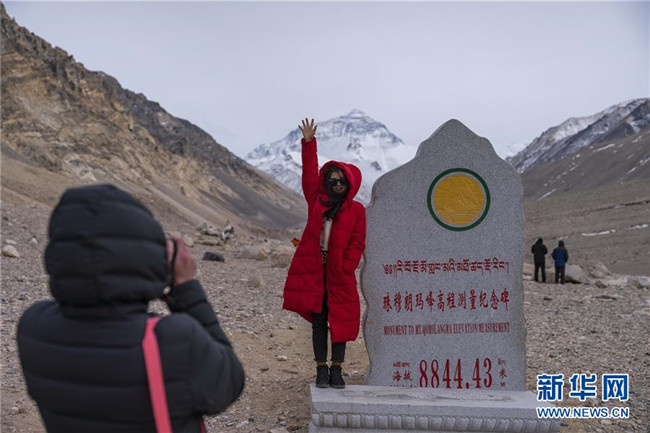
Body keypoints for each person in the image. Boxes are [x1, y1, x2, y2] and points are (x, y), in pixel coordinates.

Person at [17, 184, 245, 433]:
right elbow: (230, 382)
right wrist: (185, 288)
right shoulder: (173, 339)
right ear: (147, 258)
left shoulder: (33, 327)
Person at [283, 118, 366, 390]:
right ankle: (321, 370)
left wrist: (346, 266)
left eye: (341, 180)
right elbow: (309, 175)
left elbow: (358, 241)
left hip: (340, 273)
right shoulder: (316, 200)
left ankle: (337, 370)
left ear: (349, 182)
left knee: (340, 320)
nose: (337, 184)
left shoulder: (356, 210)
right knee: (319, 323)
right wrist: (309, 143)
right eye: (333, 180)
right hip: (316, 272)